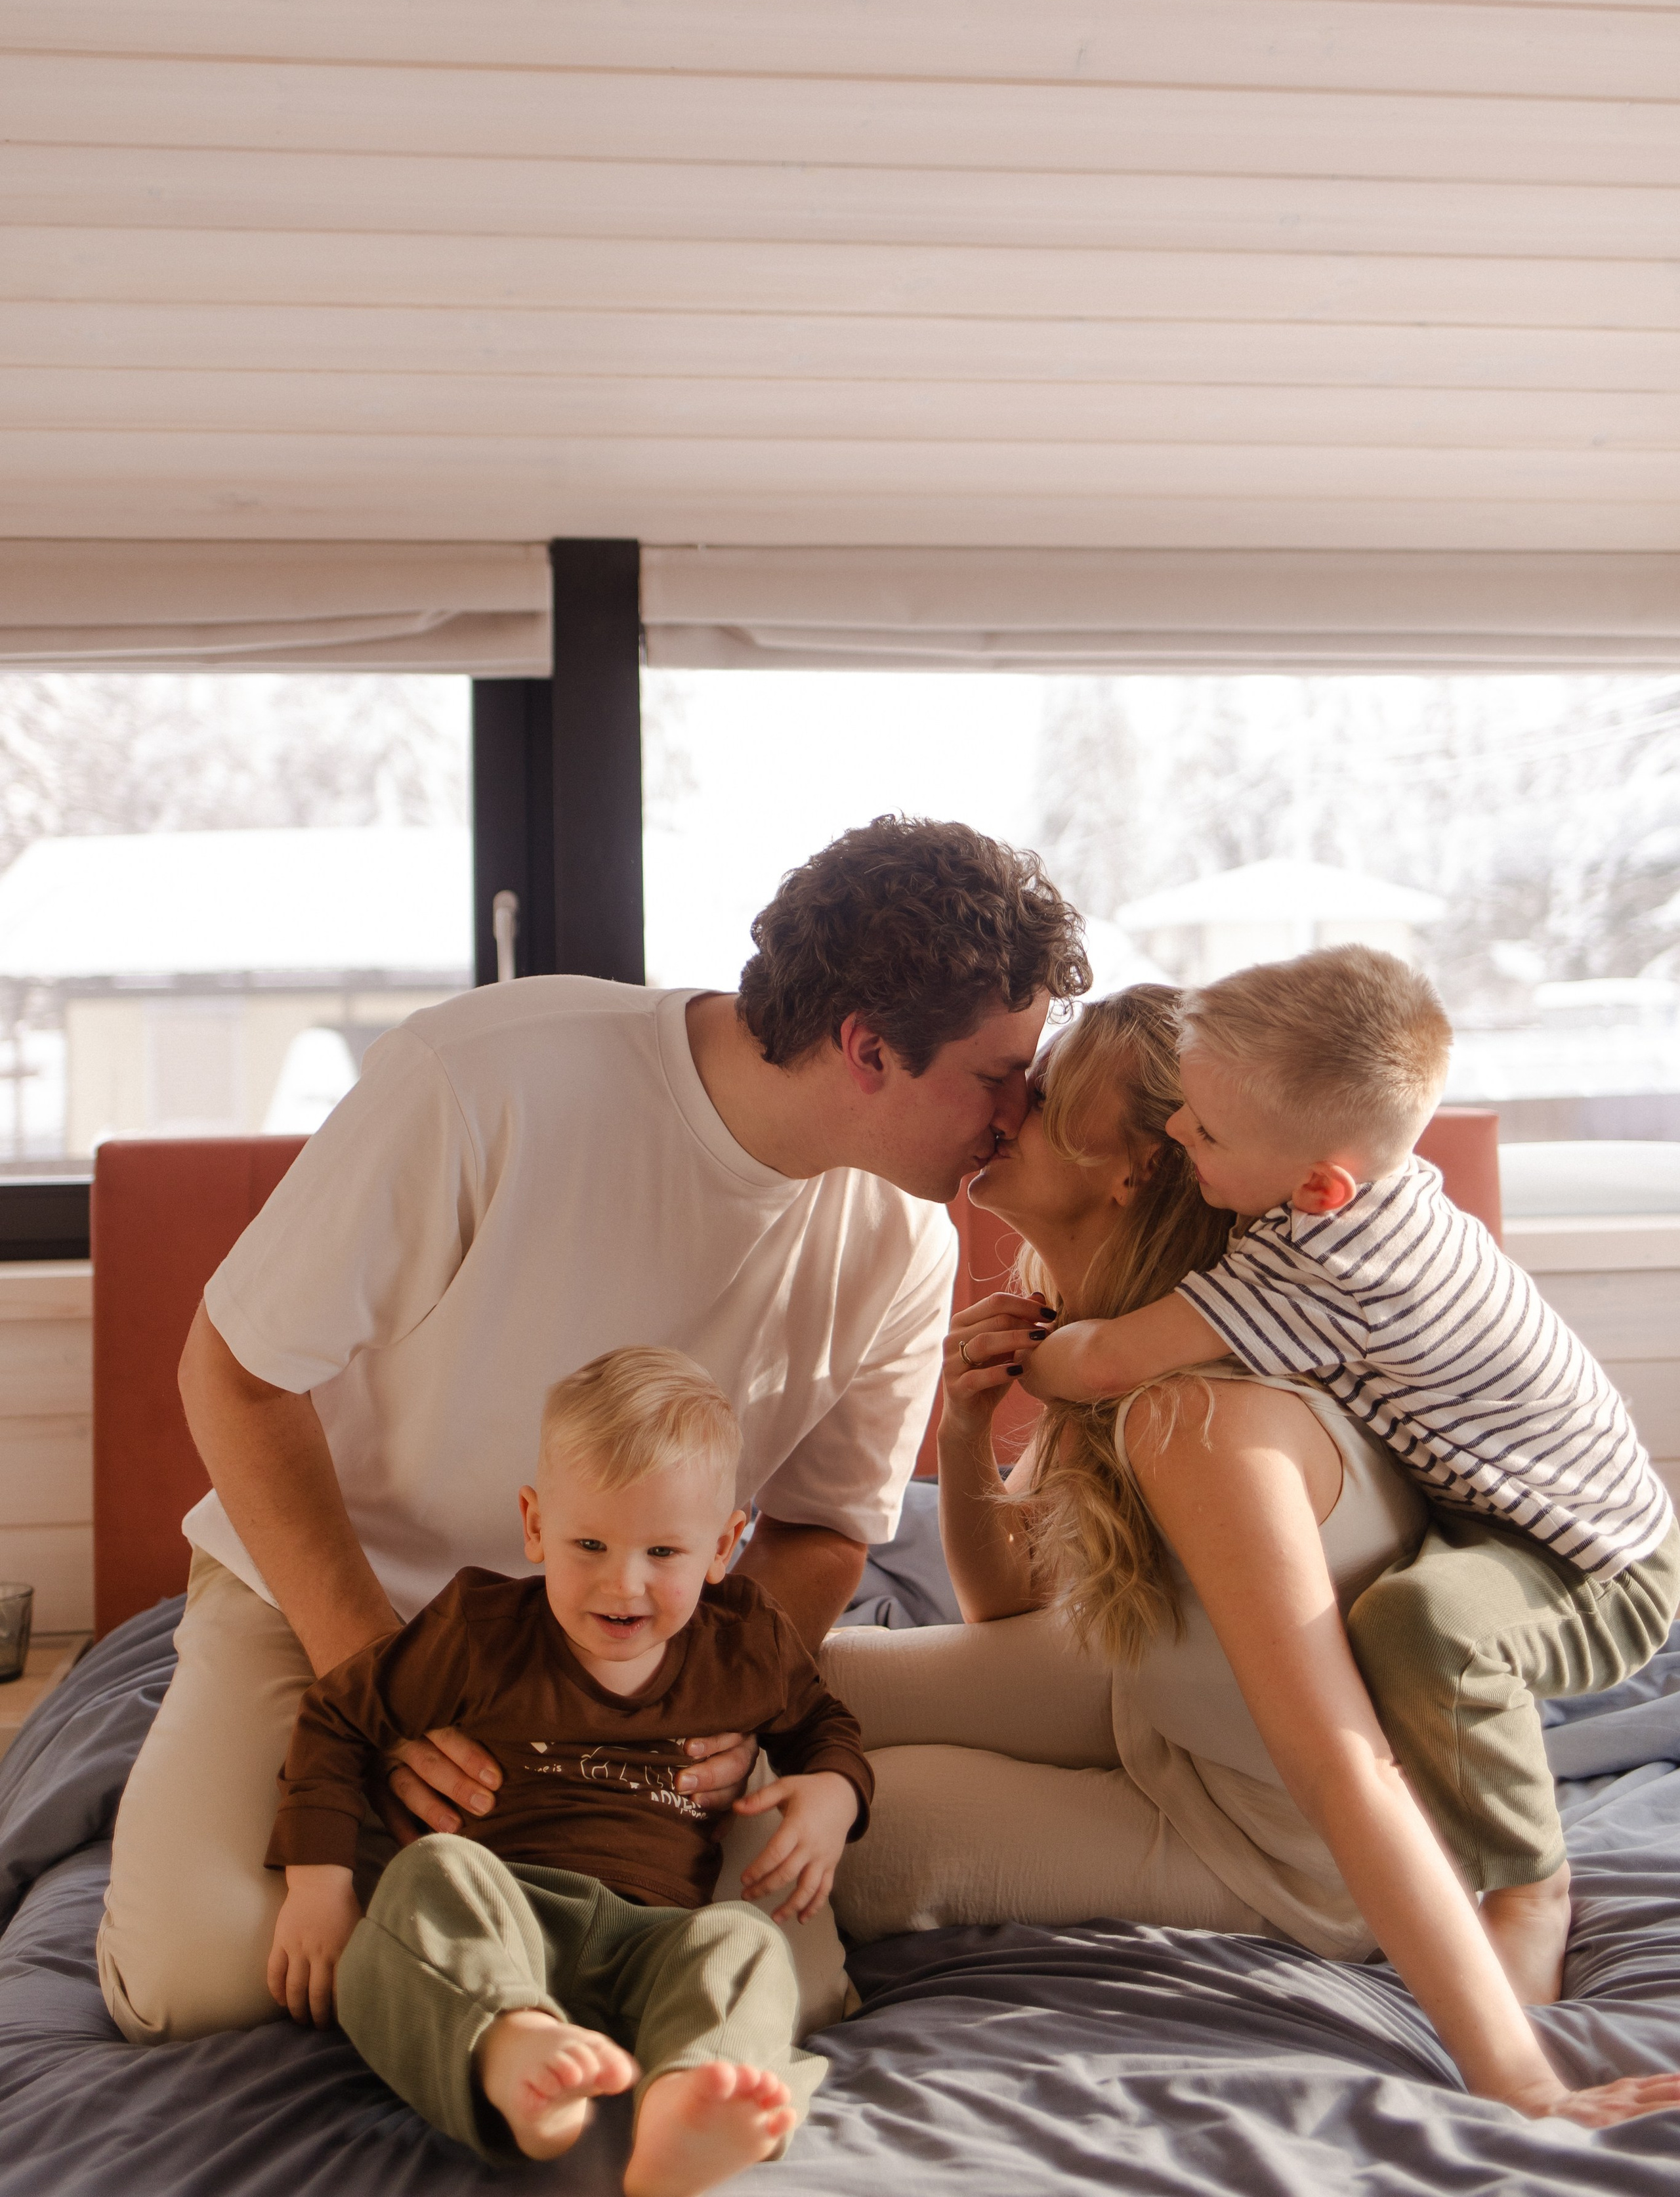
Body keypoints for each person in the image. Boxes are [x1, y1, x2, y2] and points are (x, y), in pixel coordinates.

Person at [97, 817, 1089, 2044]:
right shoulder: (481, 1079)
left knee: (790, 1985)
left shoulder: (905, 1241)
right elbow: (235, 1376)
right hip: (352, 1602)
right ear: (868, 1048)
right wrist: (386, 1688)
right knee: (202, 1986)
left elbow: (827, 1529)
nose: (1021, 1111)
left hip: (645, 1639)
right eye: (1000, 1073)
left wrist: (710, 1706)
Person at [823, 987, 1680, 2129]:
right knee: (792, 1678)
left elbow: (1344, 1768)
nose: (1006, 1111)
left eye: (1045, 1096)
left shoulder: (1202, 1421)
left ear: (1134, 1167)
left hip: (1275, 1845)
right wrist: (969, 1428)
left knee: (821, 1814)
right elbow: (1010, 1613)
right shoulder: (1124, 1334)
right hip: (1157, 1700)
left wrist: (1519, 2078)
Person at [1011, 947, 1680, 2005]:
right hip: (1537, 1507)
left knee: (1425, 1627)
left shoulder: (1319, 1268)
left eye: (1207, 1129)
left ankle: (1527, 1883)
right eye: (1182, 1108)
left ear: (1319, 1189)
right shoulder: (1376, 1191)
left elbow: (1098, 1364)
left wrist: (1023, 1354)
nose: (1179, 1136)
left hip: (1595, 1561)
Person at [268, 1347, 871, 2194]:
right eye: (590, 1543)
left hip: (656, 1939)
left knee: (745, 1945)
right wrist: (318, 1885)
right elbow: (337, 1715)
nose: (623, 1583)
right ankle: (514, 2048)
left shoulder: (746, 1644)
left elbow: (825, 1728)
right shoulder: (480, 1631)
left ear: (726, 1545)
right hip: (506, 1910)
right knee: (425, 1881)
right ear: (535, 1524)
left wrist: (833, 1796)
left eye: (665, 1551)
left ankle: (687, 2103)